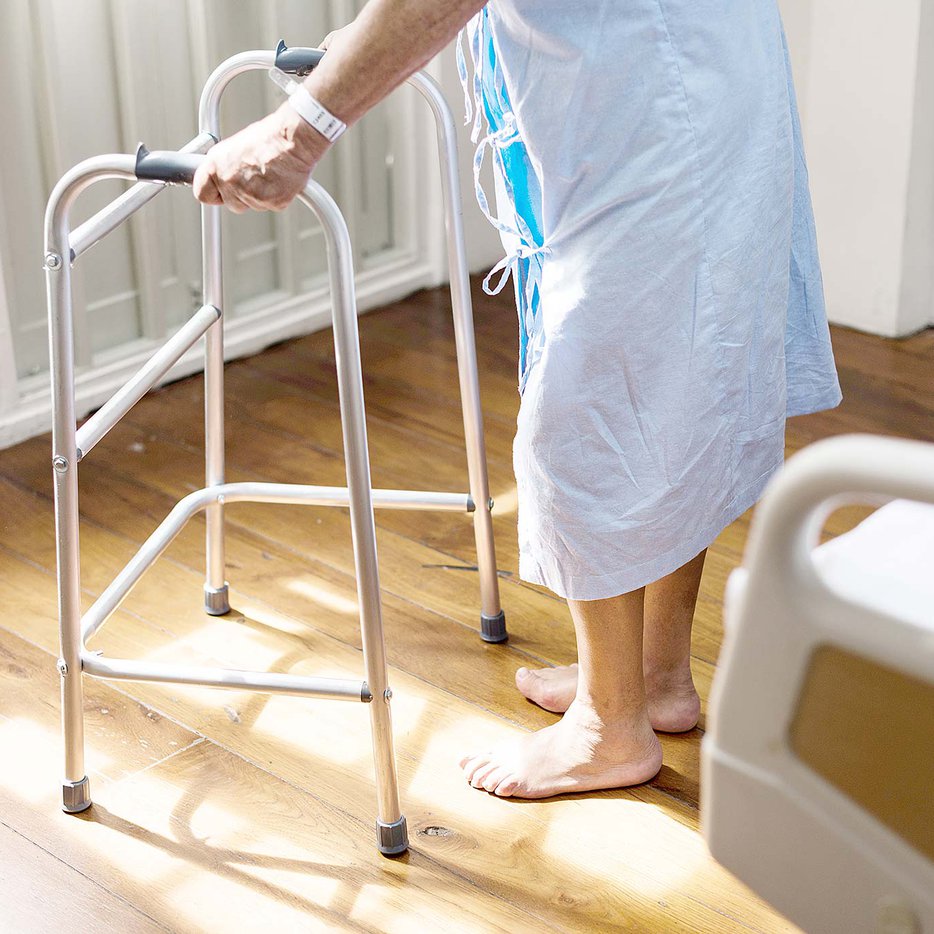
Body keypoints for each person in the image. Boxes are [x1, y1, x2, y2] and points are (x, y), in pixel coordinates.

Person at [193, 0, 841, 800]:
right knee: (678, 385)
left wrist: (301, 126)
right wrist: (361, 47)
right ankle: (652, 676)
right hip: (680, 81)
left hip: (658, 107)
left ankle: (610, 728)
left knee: (595, 408)